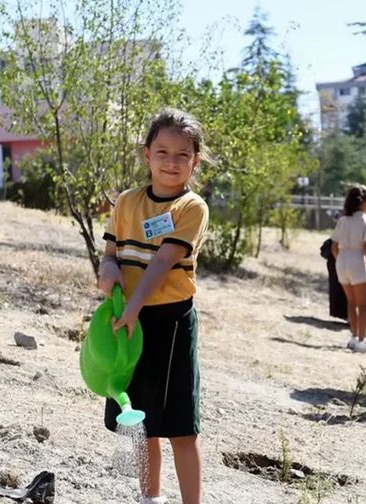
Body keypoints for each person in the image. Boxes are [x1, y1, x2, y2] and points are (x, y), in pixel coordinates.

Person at [99, 108, 209, 504]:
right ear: (147, 154)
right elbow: (110, 252)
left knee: (181, 426)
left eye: (182, 154)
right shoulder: (127, 202)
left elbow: (162, 264)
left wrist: (133, 308)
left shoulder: (191, 208)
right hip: (128, 318)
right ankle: (151, 499)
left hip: (170, 323)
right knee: (140, 421)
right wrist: (108, 269)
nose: (171, 162)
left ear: (195, 160)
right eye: (162, 152)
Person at [331, 184, 366, 352]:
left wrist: (341, 261)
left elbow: (334, 247)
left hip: (342, 261)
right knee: (363, 304)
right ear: (363, 202)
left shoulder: (342, 220)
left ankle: (353, 337)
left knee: (351, 302)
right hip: (357, 260)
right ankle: (362, 339)